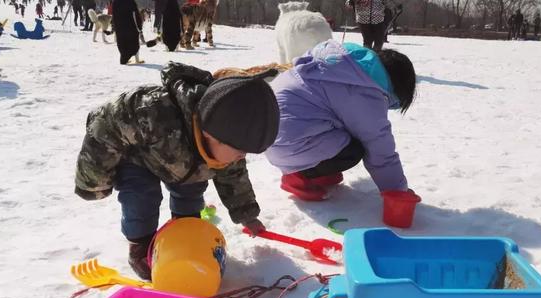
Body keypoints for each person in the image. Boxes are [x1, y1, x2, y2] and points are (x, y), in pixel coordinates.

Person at [74, 62, 280, 279]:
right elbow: (105, 124)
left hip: (184, 165)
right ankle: (141, 247)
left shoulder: (228, 142)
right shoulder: (153, 113)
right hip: (139, 159)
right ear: (211, 135)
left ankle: (185, 231)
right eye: (240, 151)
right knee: (141, 197)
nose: (242, 157)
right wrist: (92, 182)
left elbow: (235, 178)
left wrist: (246, 214)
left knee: (191, 192)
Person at [266, 39, 416, 207]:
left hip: (269, 137)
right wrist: (396, 190)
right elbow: (379, 146)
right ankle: (297, 177)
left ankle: (313, 172)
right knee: (355, 148)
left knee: (346, 130)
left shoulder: (341, 66)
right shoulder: (364, 91)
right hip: (290, 146)